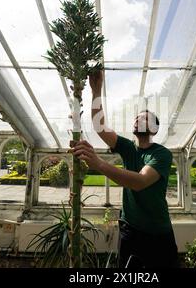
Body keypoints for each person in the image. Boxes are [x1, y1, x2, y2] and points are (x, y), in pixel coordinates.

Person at [71, 70, 179, 268]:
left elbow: (140, 182)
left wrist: (99, 164)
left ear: (154, 129)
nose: (138, 120)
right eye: (136, 118)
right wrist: (96, 91)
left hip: (158, 231)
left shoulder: (162, 154)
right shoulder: (129, 148)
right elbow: (99, 126)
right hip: (130, 229)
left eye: (144, 118)